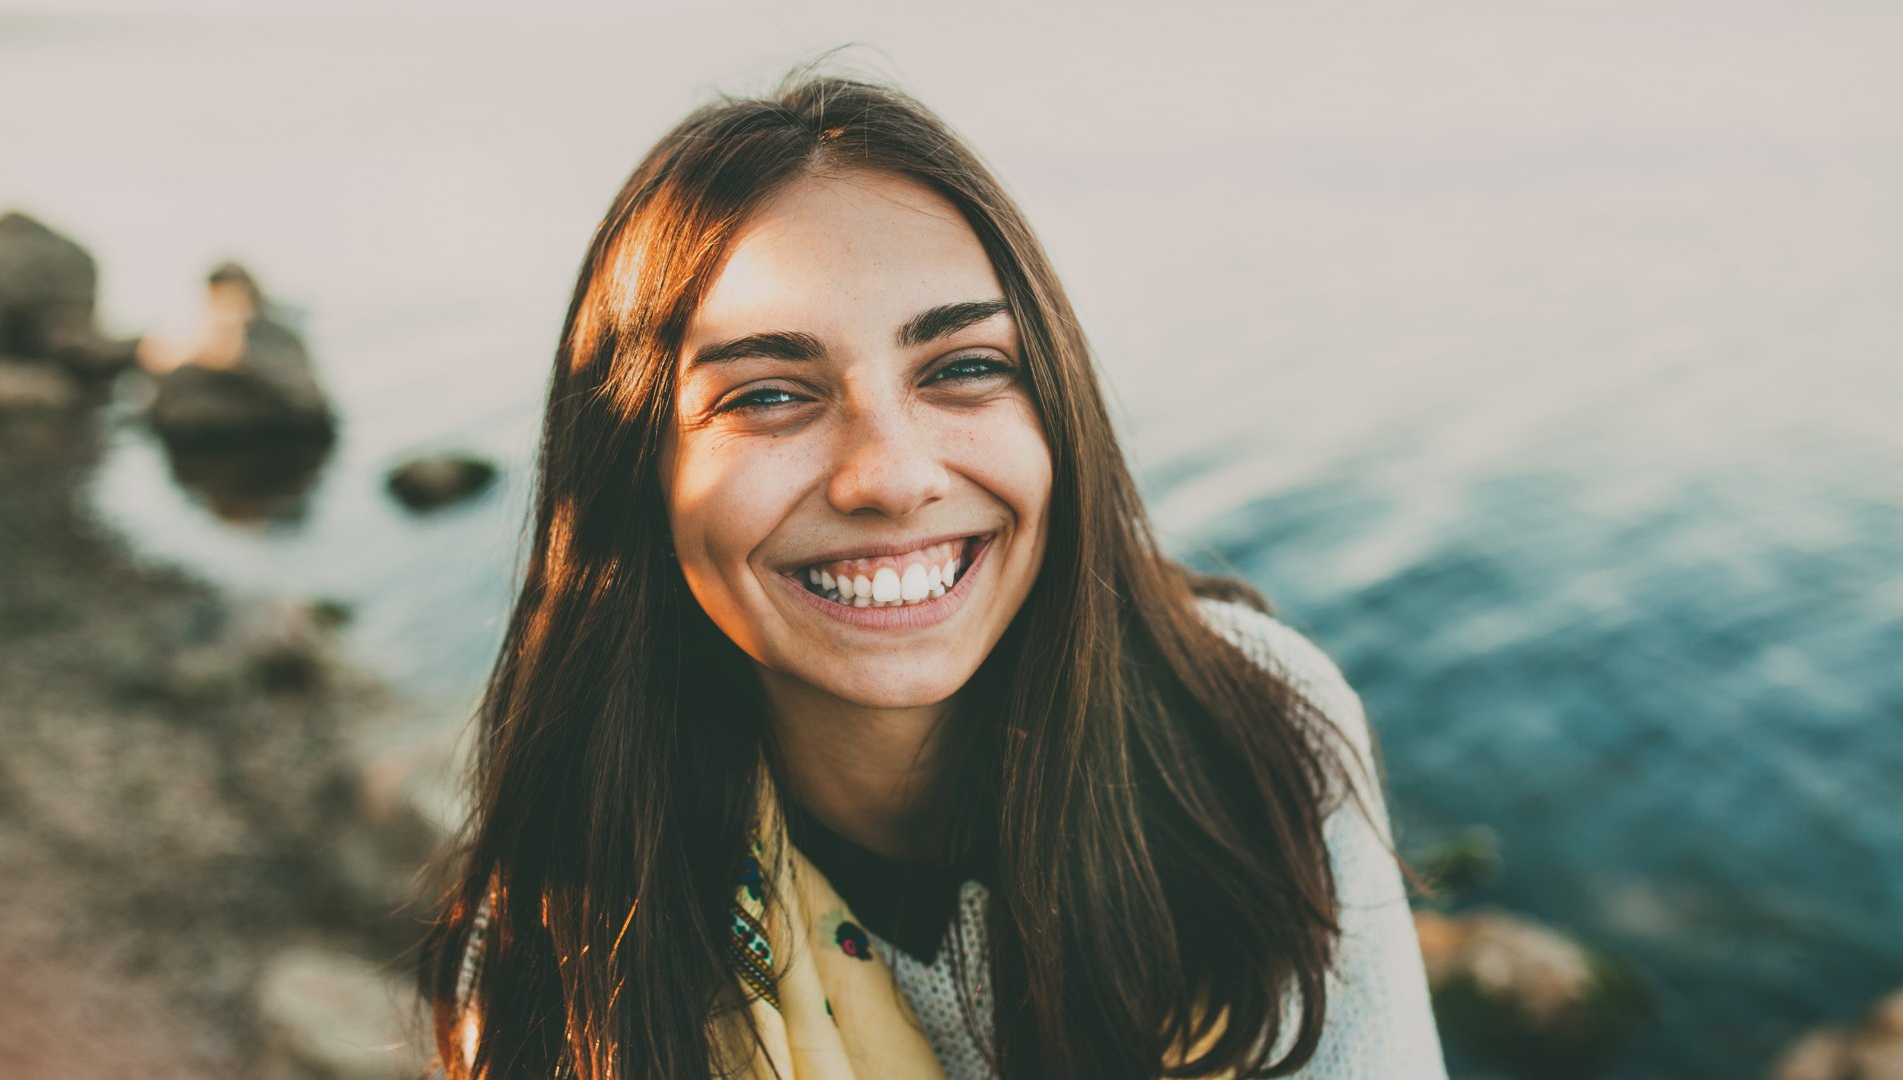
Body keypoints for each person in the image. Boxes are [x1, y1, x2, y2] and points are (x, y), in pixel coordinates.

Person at [418, 70, 1449, 1080]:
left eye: (963, 368)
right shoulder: (557, 934)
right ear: (635, 471)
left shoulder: (1259, 734)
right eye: (771, 394)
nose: (894, 478)